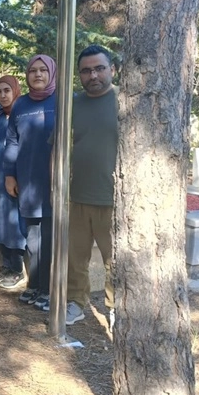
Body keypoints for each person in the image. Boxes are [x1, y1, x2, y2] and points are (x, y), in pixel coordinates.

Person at [65, 45, 118, 326]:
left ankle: (116, 308)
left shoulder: (125, 102)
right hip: (77, 196)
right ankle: (75, 303)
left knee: (115, 261)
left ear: (112, 70)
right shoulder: (72, 105)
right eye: (86, 71)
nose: (93, 75)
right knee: (76, 258)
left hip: (113, 198)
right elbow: (58, 148)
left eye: (99, 68)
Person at [4, 54, 57, 310]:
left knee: (50, 236)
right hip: (27, 180)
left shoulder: (62, 101)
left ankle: (48, 288)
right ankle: (34, 284)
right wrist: (9, 174)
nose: (38, 74)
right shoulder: (21, 105)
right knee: (33, 237)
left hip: (53, 181)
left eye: (43, 70)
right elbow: (12, 141)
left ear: (52, 73)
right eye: (33, 70)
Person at [0, 75, 28, 289]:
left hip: (15, 175)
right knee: (0, 220)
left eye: (6, 91)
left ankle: (17, 268)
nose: (3, 95)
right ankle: (5, 264)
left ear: (15, 91)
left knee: (14, 222)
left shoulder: (23, 115)